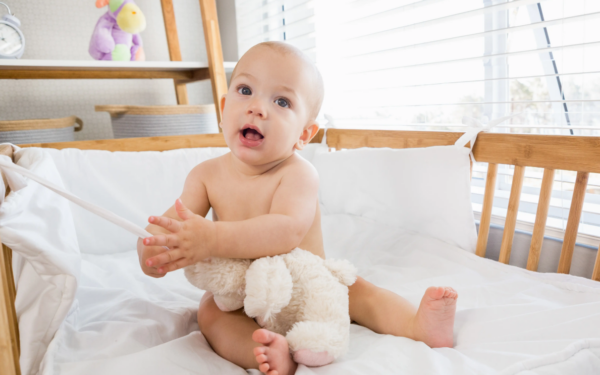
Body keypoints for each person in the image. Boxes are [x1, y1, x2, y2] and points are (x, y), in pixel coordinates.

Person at [136, 41, 458, 375]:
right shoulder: (204, 176)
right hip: (242, 297)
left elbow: (285, 231)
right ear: (223, 108)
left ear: (304, 134)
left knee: (358, 291)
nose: (258, 108)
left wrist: (211, 238)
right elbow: (170, 226)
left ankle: (416, 324)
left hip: (304, 293)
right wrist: (155, 250)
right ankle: (264, 352)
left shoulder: (298, 174)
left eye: (281, 101)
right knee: (211, 313)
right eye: (245, 90)